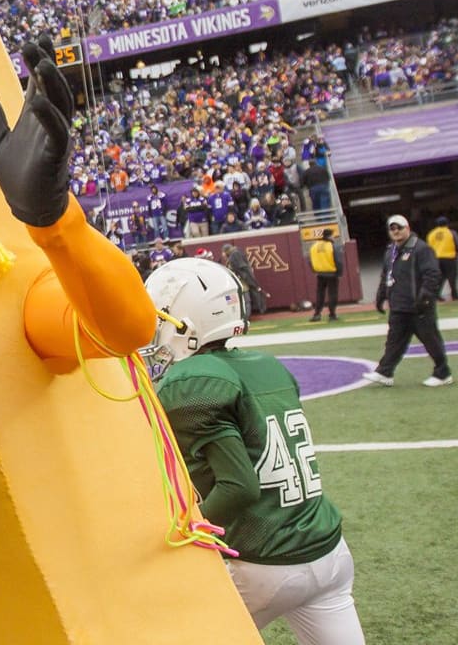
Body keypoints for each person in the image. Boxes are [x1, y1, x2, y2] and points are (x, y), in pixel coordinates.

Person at [144, 258, 366, 645]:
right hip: (328, 550)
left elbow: (239, 487)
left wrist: (185, 531)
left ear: (186, 324)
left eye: (162, 318)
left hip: (265, 559)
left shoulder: (192, 382)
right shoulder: (266, 365)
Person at [364, 215, 452, 387]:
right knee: (394, 341)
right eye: (392, 228)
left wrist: (425, 296)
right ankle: (385, 372)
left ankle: (443, 372)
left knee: (430, 339)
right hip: (399, 305)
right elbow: (386, 276)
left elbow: (432, 274)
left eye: (399, 227)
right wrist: (381, 295)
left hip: (418, 306)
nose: (396, 231)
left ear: (408, 228)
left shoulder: (421, 249)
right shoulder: (391, 251)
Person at [308, 229, 344, 322]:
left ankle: (317, 314)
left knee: (320, 295)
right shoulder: (332, 246)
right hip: (331, 273)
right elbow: (338, 260)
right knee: (332, 294)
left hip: (320, 274)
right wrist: (339, 273)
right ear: (330, 236)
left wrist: (314, 270)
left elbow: (310, 260)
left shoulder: (314, 246)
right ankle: (332, 315)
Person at [222, 243, 266, 315]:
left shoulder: (234, 256)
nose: (223, 254)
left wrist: (247, 278)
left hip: (241, 283)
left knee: (246, 301)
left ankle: (246, 317)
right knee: (236, 302)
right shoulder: (235, 254)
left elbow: (240, 270)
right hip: (236, 284)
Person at [426, 216, 458, 301]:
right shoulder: (451, 232)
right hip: (449, 257)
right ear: (447, 223)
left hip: (436, 258)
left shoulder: (431, 234)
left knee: (440, 277)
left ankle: (436, 294)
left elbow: (428, 246)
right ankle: (454, 294)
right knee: (452, 276)